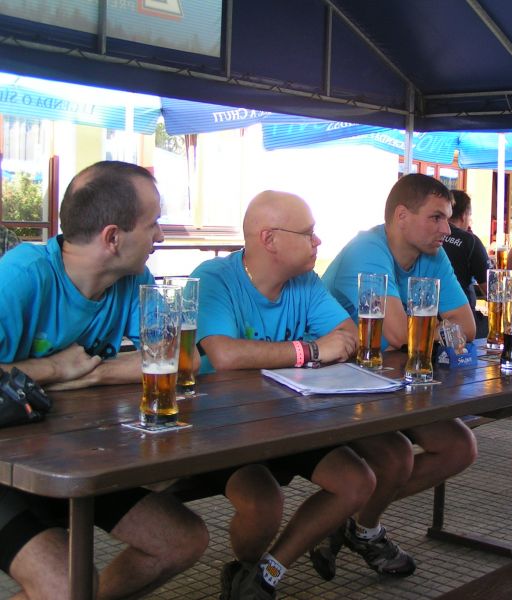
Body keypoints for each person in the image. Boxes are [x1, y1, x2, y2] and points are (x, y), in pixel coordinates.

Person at [0, 161, 208, 599]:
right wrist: (54, 369)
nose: (161, 236)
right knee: (66, 586)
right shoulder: (22, 276)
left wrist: (90, 374)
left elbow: (182, 359)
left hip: (70, 456)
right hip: (5, 467)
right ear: (113, 238)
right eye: (153, 224)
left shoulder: (133, 280)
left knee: (181, 540)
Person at [191, 190, 414, 598]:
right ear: (269, 239)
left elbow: (346, 334)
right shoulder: (214, 277)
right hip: (224, 427)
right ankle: (245, 567)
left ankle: (266, 573)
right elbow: (224, 354)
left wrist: (305, 352)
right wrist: (309, 351)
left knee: (357, 481)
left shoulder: (305, 282)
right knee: (264, 506)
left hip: (290, 419)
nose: (318, 241)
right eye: (308, 233)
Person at [319, 173, 477, 577]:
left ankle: (351, 521)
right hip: (335, 385)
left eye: (449, 218)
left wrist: (423, 330)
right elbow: (395, 333)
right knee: (396, 457)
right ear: (402, 216)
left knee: (460, 447)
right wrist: (432, 329)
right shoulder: (366, 249)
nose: (447, 229)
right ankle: (359, 527)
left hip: (390, 380)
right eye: (437, 218)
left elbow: (468, 326)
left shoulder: (433, 253)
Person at [441, 190, 491, 338]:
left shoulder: (429, 238)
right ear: (464, 215)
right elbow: (491, 290)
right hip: (461, 323)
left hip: (429, 317)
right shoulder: (470, 241)